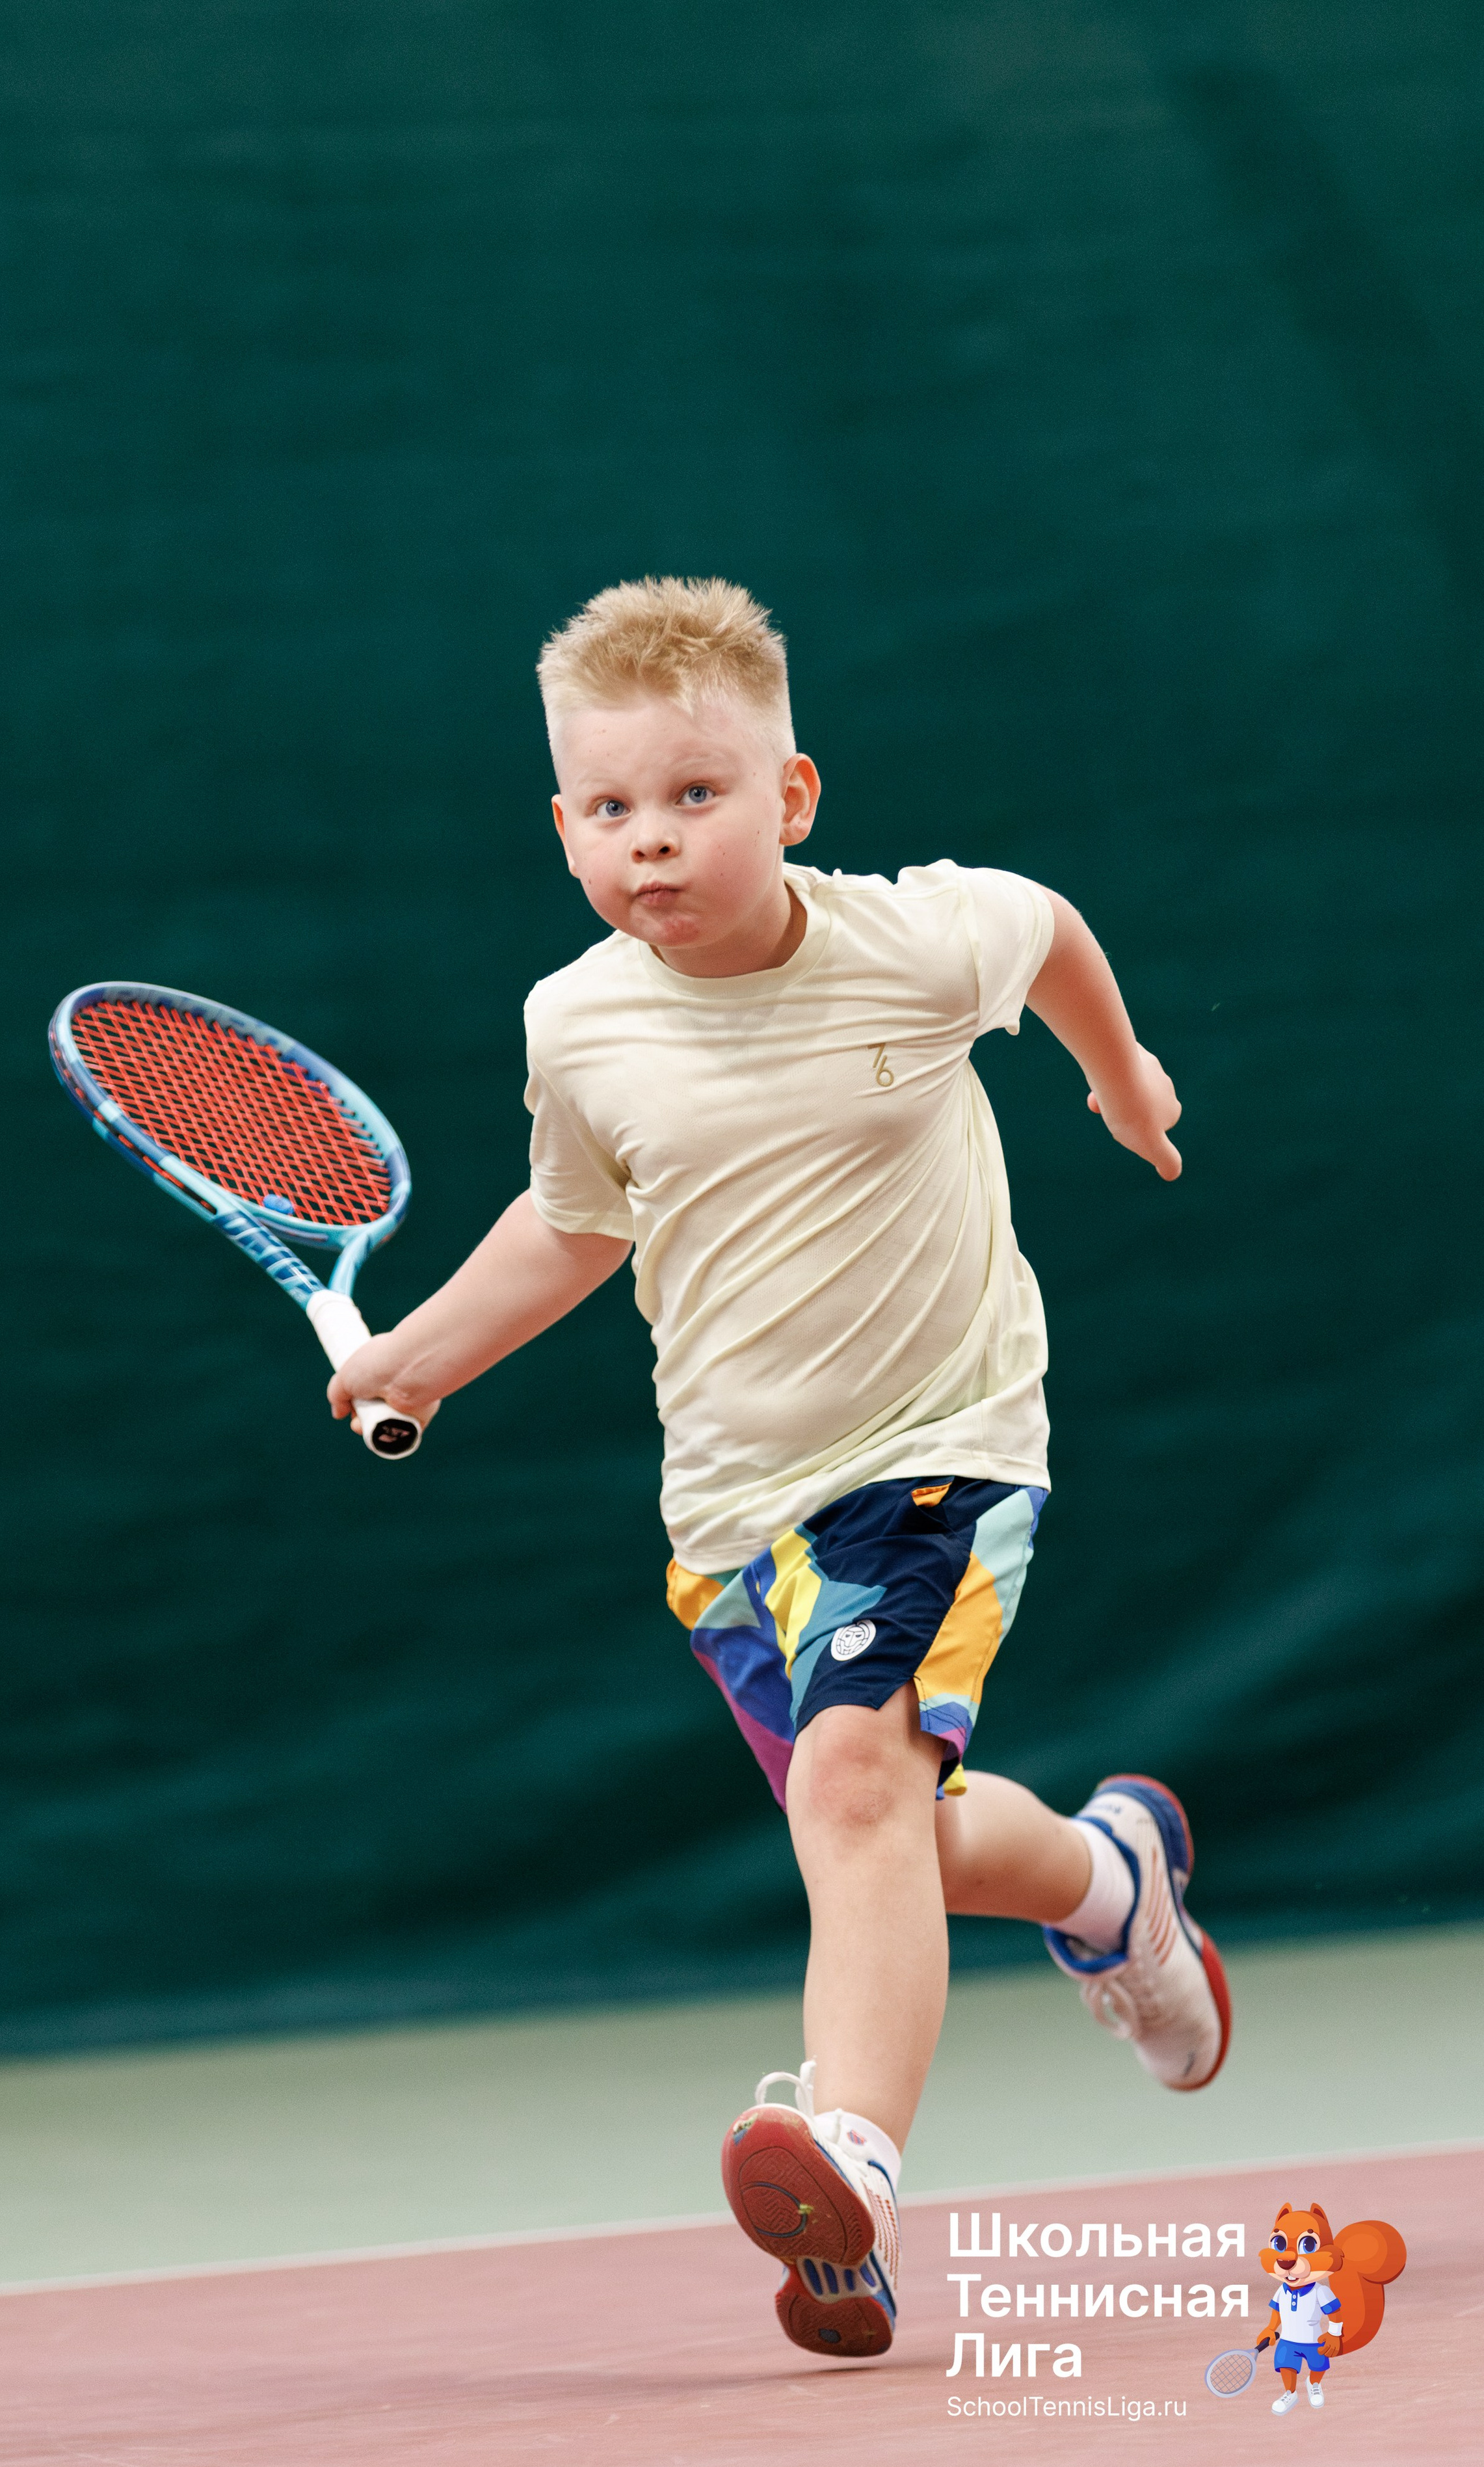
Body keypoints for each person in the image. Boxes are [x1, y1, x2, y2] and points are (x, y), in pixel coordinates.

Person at [328, 576, 1232, 2360]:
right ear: (564, 824)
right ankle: (1117, 1886)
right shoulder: (575, 1025)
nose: (649, 844)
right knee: (891, 1838)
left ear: (793, 799)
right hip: (731, 1520)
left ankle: (850, 2168)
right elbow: (574, 1225)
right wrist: (419, 1352)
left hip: (941, 1456)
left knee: (851, 1797)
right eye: (607, 810)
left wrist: (1118, 1077)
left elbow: (1045, 926)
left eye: (694, 797)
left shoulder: (910, 945)